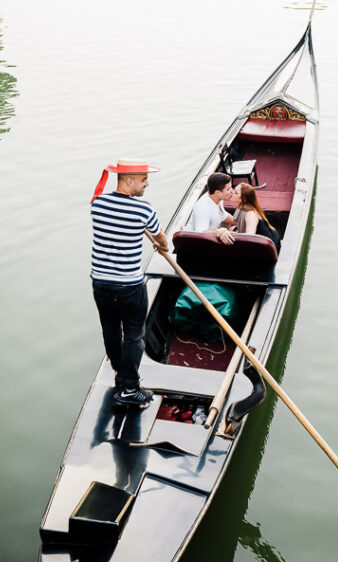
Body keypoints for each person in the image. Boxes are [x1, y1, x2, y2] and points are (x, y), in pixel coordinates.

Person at [91, 159, 168, 408]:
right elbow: (161, 239)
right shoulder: (144, 211)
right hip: (129, 286)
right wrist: (161, 246)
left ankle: (119, 374)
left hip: (101, 283)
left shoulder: (98, 205)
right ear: (129, 180)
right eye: (144, 180)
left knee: (111, 330)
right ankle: (130, 389)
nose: (147, 184)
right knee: (135, 335)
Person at [185, 172, 235, 245]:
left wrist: (239, 222)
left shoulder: (217, 198)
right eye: (228, 189)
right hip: (198, 244)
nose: (232, 191)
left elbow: (223, 215)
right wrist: (218, 232)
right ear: (217, 192)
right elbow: (200, 233)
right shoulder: (203, 208)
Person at [232, 183, 280, 248]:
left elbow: (249, 236)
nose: (232, 192)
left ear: (244, 199)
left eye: (236, 192)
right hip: (261, 242)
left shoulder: (250, 213)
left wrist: (232, 234)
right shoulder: (240, 207)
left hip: (268, 247)